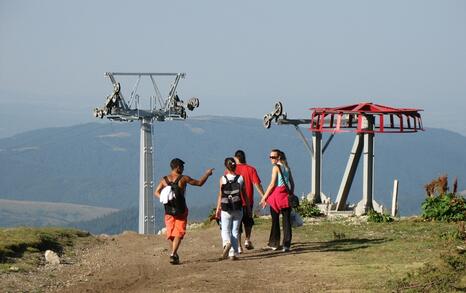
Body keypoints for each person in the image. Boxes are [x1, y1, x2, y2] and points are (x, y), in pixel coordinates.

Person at [154, 158, 214, 264]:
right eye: (182, 167)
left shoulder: (164, 180)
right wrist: (207, 174)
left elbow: (156, 192)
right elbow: (199, 183)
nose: (183, 169)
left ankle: (174, 253)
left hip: (168, 210)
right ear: (178, 168)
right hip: (181, 210)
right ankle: (173, 254)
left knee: (171, 233)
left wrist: (165, 199)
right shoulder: (183, 179)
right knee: (179, 233)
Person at [215, 157, 251, 260]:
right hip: (238, 207)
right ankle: (233, 253)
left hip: (226, 207)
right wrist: (248, 208)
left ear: (226, 166)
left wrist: (218, 209)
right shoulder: (240, 178)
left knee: (225, 229)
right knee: (235, 230)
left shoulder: (223, 179)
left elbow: (220, 195)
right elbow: (244, 195)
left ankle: (227, 243)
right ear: (235, 166)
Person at [260, 149, 294, 252]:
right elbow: (292, 184)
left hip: (276, 196)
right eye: (270, 157)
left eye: (273, 157)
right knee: (286, 221)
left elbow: (272, 184)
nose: (271, 159)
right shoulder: (287, 168)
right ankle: (286, 245)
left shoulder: (276, 168)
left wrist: (264, 197)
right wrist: (290, 194)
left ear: (278, 157)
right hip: (286, 196)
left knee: (275, 221)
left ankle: (274, 243)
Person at [233, 150, 264, 251]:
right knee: (248, 222)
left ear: (236, 158)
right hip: (248, 201)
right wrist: (263, 197)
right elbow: (257, 184)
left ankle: (238, 245)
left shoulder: (230, 170)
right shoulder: (251, 169)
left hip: (234, 201)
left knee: (236, 224)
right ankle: (247, 239)